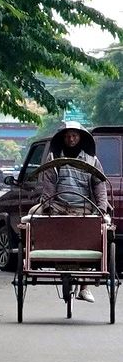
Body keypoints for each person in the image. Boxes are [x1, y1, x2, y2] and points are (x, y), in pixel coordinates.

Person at [41, 121, 109, 303]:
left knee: (92, 238)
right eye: (68, 136)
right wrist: (47, 206)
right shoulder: (54, 158)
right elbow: (48, 184)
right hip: (58, 206)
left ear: (80, 138)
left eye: (74, 136)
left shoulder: (91, 161)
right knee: (31, 218)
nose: (71, 139)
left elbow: (99, 185)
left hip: (83, 208)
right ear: (63, 138)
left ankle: (84, 287)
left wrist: (102, 208)